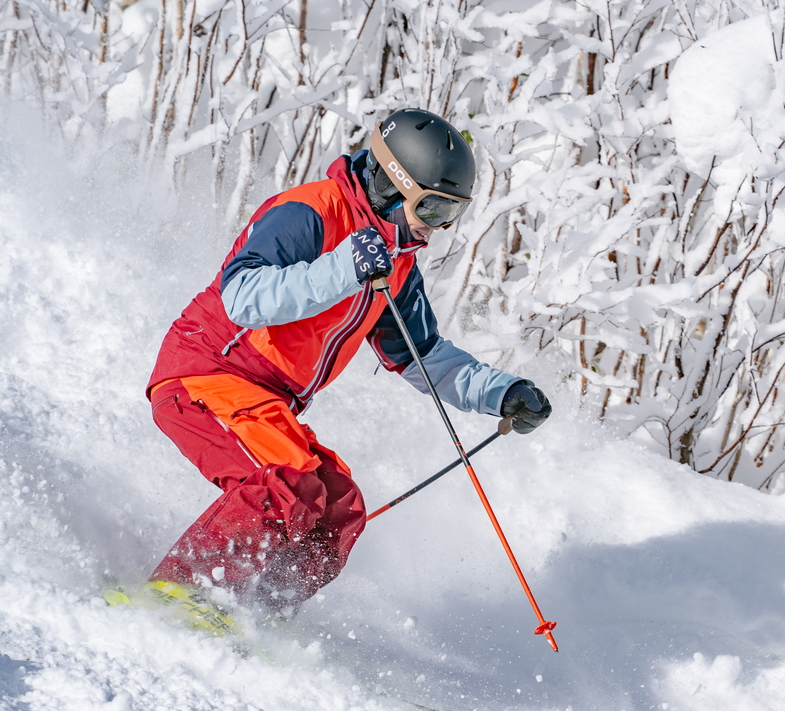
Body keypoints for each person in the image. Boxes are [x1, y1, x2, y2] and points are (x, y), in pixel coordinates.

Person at [143, 108, 551, 623]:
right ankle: (179, 596)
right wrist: (343, 267)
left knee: (337, 507)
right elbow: (243, 297)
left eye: (450, 215)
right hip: (205, 373)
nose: (434, 229)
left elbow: (422, 355)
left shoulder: (396, 260)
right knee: (285, 481)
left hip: (266, 401)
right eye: (431, 209)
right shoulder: (310, 212)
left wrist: (501, 392)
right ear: (391, 184)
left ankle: (254, 616)